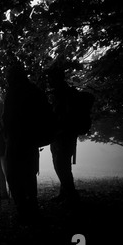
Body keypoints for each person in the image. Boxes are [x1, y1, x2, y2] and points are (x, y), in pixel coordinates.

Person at [2, 63, 46, 223]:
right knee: (29, 175)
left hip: (15, 141)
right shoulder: (35, 91)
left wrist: (5, 131)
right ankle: (32, 208)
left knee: (13, 175)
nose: (7, 78)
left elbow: (8, 119)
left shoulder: (13, 92)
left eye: (8, 74)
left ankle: (23, 209)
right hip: (31, 141)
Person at [46, 67, 81, 205]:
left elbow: (65, 115)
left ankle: (71, 195)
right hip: (61, 135)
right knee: (62, 164)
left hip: (63, 134)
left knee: (61, 165)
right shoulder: (63, 92)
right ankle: (65, 193)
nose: (49, 81)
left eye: (50, 78)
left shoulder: (64, 94)